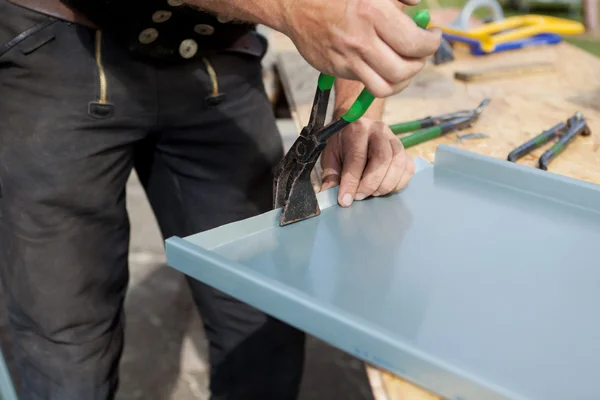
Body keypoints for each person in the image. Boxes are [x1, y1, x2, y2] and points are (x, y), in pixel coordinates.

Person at [0, 0, 441, 399]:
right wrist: (293, 10)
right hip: (60, 39)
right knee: (62, 342)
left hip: (214, 48)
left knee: (262, 313)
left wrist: (354, 110)